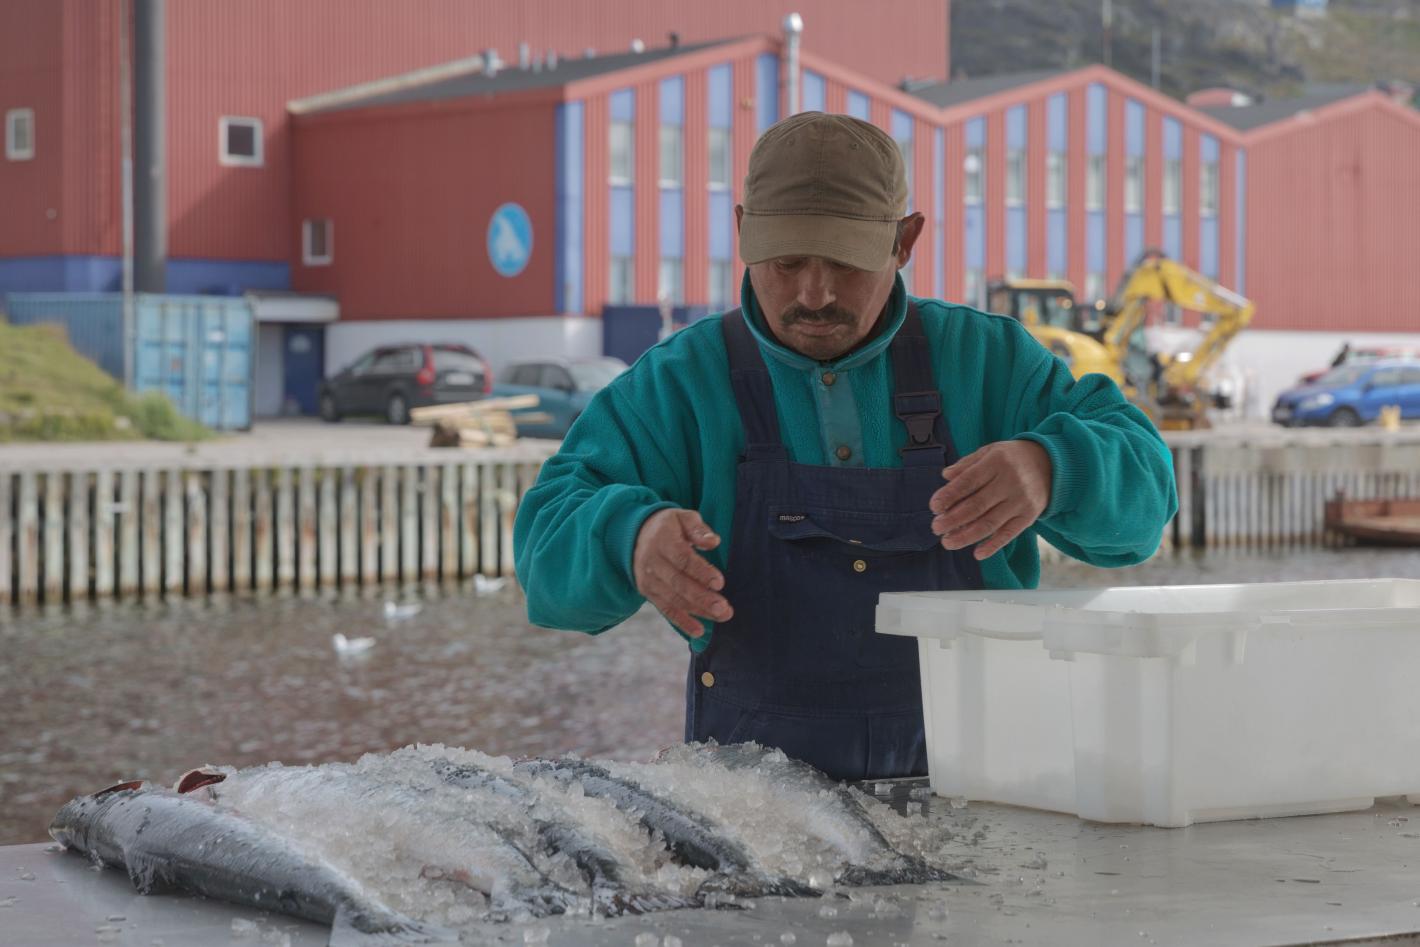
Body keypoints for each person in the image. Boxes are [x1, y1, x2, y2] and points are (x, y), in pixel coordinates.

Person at [515, 112, 1177, 781]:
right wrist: (628, 537)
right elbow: (546, 556)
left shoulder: (990, 361)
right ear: (742, 231)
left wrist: (1054, 466)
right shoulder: (678, 384)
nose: (814, 293)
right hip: (760, 827)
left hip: (988, 804)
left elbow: (1146, 504)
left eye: (843, 261)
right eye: (787, 261)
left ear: (905, 241)